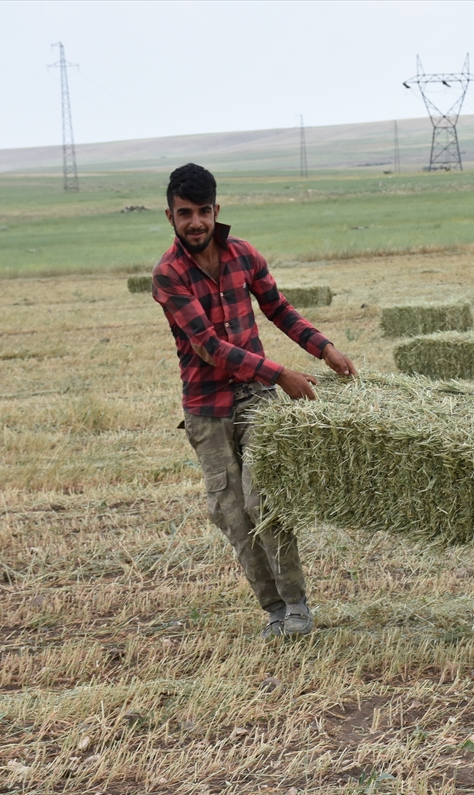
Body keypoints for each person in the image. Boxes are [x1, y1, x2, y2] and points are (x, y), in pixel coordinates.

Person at [152, 163, 356, 639]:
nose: (196, 223)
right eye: (186, 214)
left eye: (204, 211)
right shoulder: (168, 274)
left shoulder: (243, 254)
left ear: (217, 209)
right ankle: (274, 611)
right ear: (170, 217)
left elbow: (278, 308)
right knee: (232, 513)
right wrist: (280, 372)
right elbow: (207, 347)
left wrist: (323, 347)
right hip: (207, 408)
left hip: (256, 398)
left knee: (264, 499)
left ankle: (298, 606)